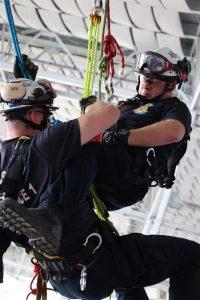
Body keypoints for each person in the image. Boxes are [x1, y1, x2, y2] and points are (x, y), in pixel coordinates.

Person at [0, 48, 195, 300]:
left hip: (125, 178)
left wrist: (118, 135)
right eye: (144, 78)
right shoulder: (126, 107)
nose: (145, 82)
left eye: (154, 79)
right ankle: (51, 215)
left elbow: (175, 132)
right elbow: (69, 133)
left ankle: (53, 214)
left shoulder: (173, 108)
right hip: (94, 243)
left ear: (171, 82)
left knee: (84, 147)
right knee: (136, 274)